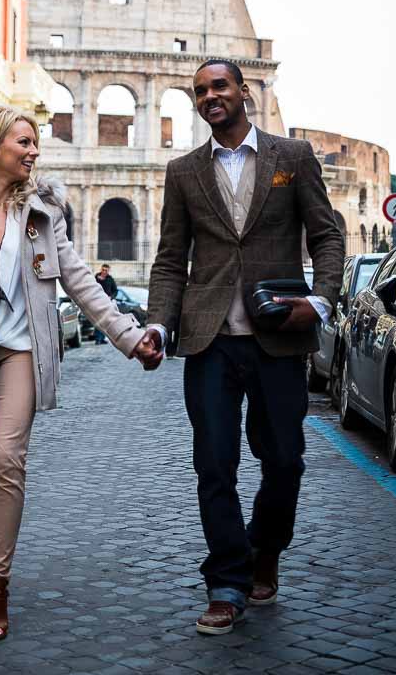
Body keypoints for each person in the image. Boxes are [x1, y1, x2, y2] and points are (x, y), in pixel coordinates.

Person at [0, 106, 157, 643]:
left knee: (6, 460)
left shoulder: (43, 211)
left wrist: (130, 337)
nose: (34, 151)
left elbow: (81, 281)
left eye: (35, 143)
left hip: (23, 350)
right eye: (24, 142)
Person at [137, 59, 344, 635]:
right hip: (209, 341)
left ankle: (266, 550)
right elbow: (171, 258)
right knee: (214, 463)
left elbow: (327, 236)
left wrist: (321, 302)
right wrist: (158, 324)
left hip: (278, 336)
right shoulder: (183, 171)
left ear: (243, 92)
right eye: (199, 91)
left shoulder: (292, 159)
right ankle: (227, 582)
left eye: (219, 86)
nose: (209, 97)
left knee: (285, 462)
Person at [93, 264, 117, 343]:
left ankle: (102, 338)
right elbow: (92, 287)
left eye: (106, 270)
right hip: (98, 301)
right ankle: (98, 339)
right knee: (98, 319)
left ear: (108, 271)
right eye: (103, 270)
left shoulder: (110, 279)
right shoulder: (96, 278)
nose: (104, 272)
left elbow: (115, 290)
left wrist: (111, 297)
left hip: (107, 302)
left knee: (105, 320)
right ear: (101, 269)